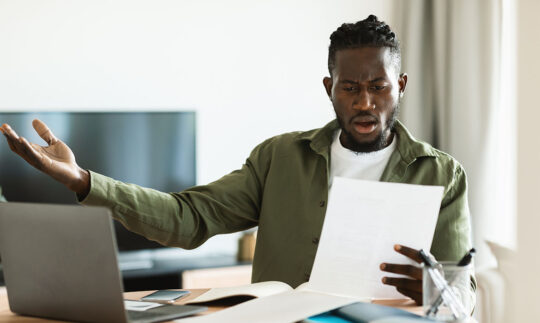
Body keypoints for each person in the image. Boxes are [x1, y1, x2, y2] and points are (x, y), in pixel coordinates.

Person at [0, 15, 474, 307]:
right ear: (329, 89)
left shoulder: (440, 175)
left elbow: (463, 294)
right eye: (350, 88)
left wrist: (438, 291)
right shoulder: (279, 158)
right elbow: (187, 219)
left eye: (379, 86)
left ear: (402, 86)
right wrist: (84, 180)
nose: (365, 102)